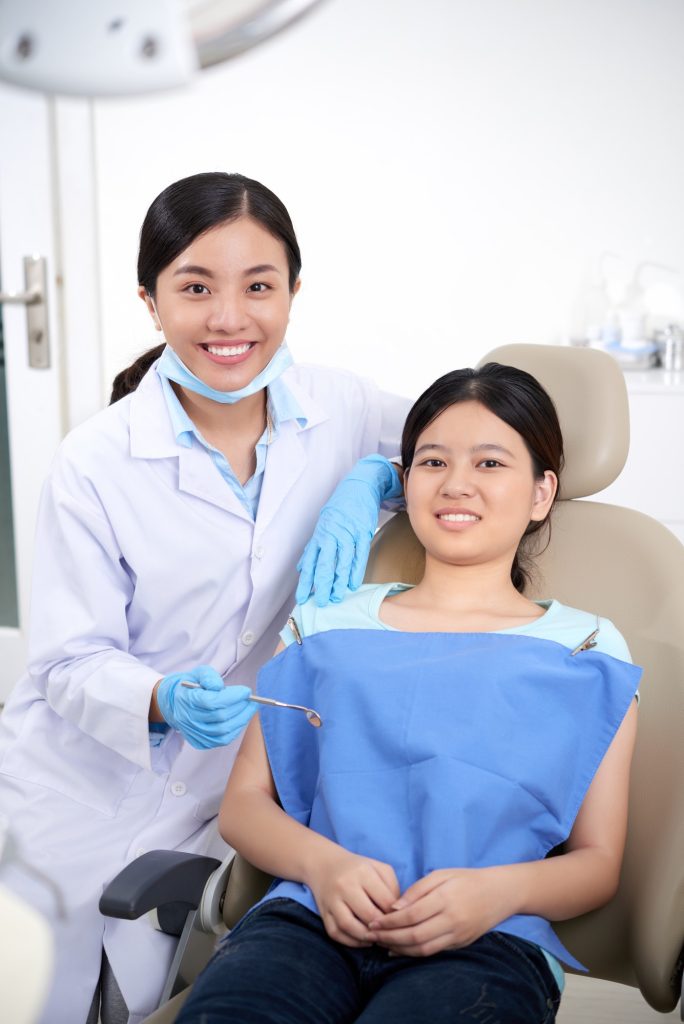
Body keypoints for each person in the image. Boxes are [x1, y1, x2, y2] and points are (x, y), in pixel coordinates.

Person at [0, 172, 412, 1024]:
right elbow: (67, 661)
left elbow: (475, 440)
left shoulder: (341, 406)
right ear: (151, 302)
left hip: (221, 789)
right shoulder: (95, 462)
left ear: (295, 291)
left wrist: (377, 474)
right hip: (70, 775)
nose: (231, 319)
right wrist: (159, 696)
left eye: (259, 286)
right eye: (195, 287)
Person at [178, 362, 640, 1024]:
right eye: (432, 461)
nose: (456, 483)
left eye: (490, 464)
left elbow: (599, 863)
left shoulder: (587, 650)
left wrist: (494, 894)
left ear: (542, 493)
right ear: (404, 480)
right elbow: (244, 806)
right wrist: (325, 867)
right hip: (308, 922)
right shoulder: (327, 620)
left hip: (488, 942)